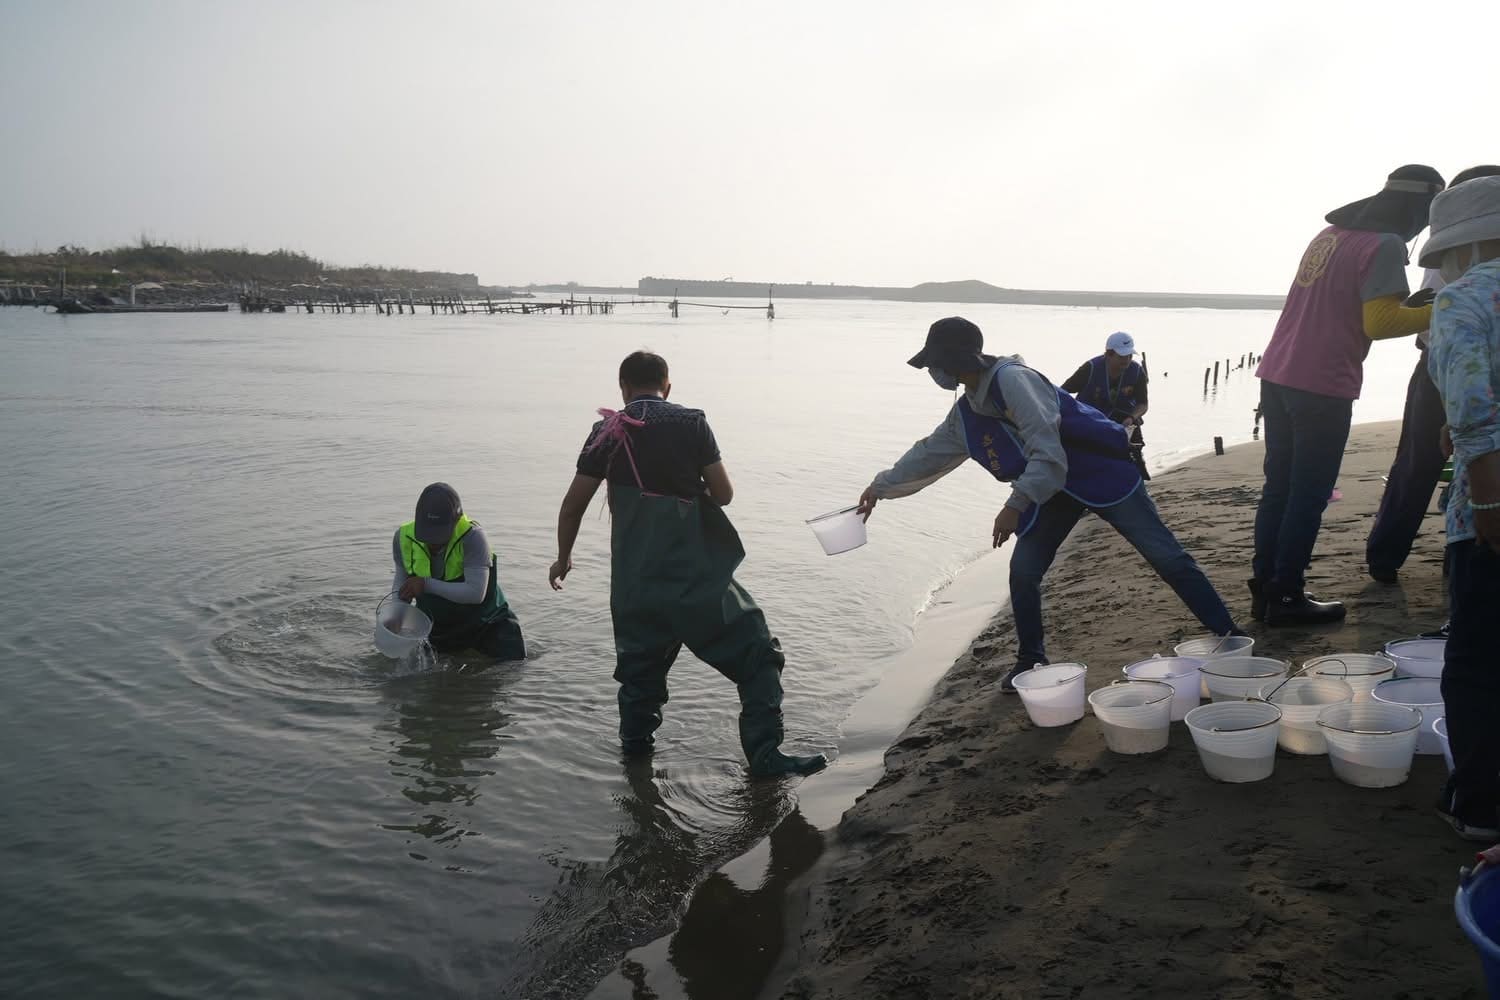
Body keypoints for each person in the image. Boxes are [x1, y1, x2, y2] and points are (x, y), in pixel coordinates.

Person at [857, 317, 1239, 691]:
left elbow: (1048, 452)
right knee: (1023, 571)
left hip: (1100, 476)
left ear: (958, 361)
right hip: (1050, 492)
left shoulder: (1014, 381)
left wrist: (1015, 505)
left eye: (936, 363)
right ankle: (1031, 658)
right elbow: (930, 452)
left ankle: (1228, 633)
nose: (934, 372)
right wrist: (879, 487)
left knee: (1166, 556)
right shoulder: (967, 408)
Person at [547, 351, 825, 778]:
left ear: (622, 389)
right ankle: (765, 756)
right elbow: (725, 494)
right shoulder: (691, 423)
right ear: (668, 386)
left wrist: (563, 559)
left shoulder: (606, 432)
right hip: (695, 581)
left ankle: (635, 775)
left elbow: (572, 507)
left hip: (634, 588)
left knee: (640, 685)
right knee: (758, 656)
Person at [1251, 164, 1444, 626]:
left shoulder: (1331, 235)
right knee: (1309, 493)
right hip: (1322, 383)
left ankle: (1266, 589)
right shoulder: (1386, 244)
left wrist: (1412, 307)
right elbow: (1379, 323)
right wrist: (1449, 306)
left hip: (1278, 371)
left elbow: (1349, 302)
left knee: (1278, 486)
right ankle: (1288, 595)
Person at [1367, 166, 1500, 585]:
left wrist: (1486, 505)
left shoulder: (1459, 290)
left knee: (1421, 460)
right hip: (1446, 363)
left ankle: (1391, 557)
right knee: (1424, 458)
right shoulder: (1464, 275)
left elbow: (1473, 417)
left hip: (1444, 361)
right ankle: (1393, 556)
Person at [1418, 175, 1500, 840]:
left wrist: (1489, 499)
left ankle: (1479, 808)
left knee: (1475, 658)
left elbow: (1474, 412)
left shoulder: (1464, 301)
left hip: (1488, 514)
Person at [392, 482, 527, 660]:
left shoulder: (474, 537)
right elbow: (401, 588)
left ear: (456, 520)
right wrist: (396, 618)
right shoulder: (403, 538)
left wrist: (425, 584)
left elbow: (475, 593)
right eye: (427, 532)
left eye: (439, 533)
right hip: (437, 627)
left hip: (486, 623)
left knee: (511, 670)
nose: (432, 540)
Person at [1061, 330, 1151, 480]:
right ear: (1108, 354)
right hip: (1090, 420)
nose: (1127, 360)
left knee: (1133, 456)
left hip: (1124, 421)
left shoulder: (1136, 371)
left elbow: (1143, 404)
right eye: (1122, 356)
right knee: (1088, 459)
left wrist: (1132, 417)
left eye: (1129, 356)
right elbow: (1063, 392)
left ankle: (1136, 483)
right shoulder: (1090, 368)